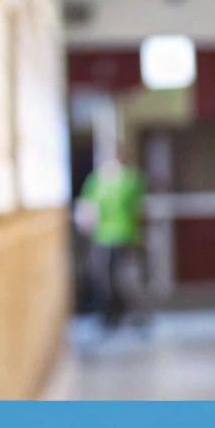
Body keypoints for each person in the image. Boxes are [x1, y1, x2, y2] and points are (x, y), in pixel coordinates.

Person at [76, 140, 147, 330]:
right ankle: (111, 314)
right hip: (102, 236)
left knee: (126, 277)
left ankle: (135, 313)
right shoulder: (97, 180)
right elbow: (87, 204)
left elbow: (132, 202)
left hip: (124, 234)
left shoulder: (130, 179)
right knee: (101, 276)